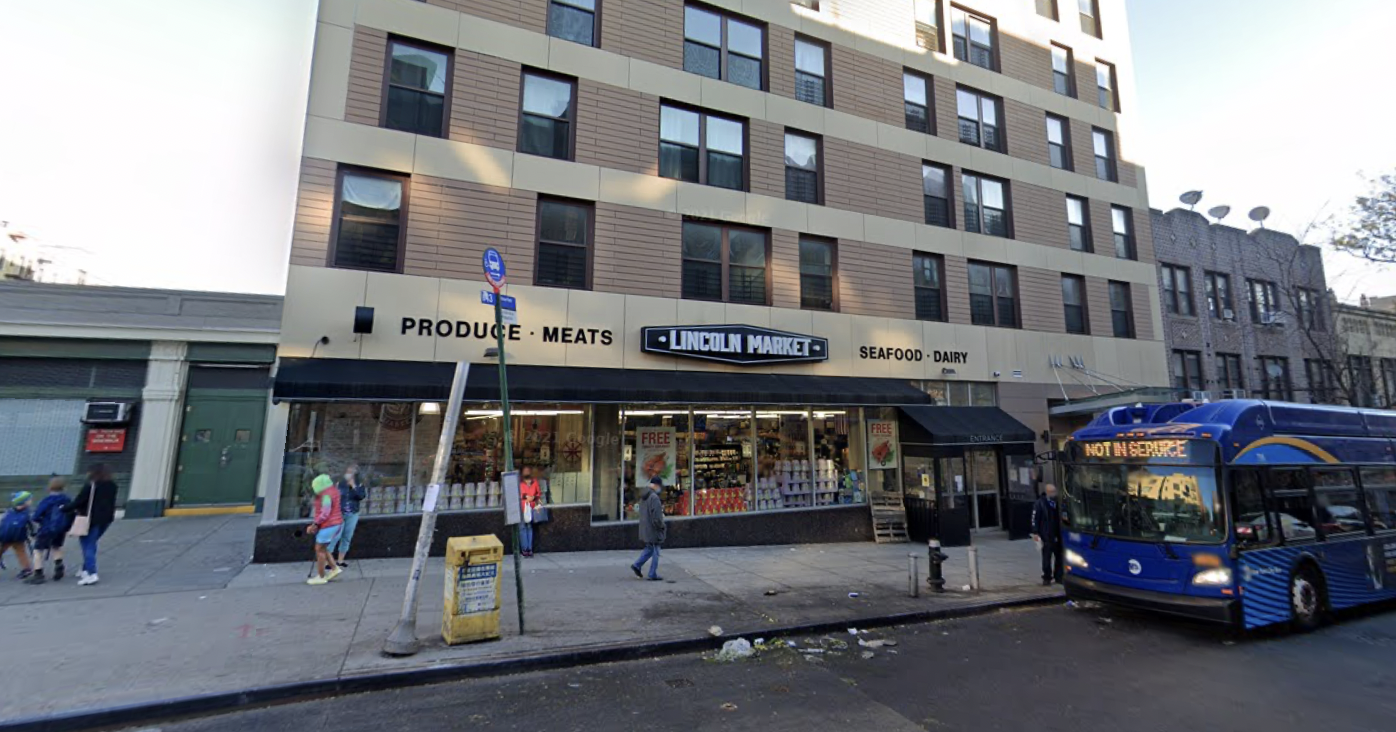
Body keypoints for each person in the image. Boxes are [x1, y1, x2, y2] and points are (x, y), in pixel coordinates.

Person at [67, 465, 118, 586]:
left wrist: (63, 508)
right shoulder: (112, 486)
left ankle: (91, 573)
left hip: (90, 520)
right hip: (106, 519)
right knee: (92, 543)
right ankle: (85, 569)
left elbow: (79, 502)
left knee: (87, 545)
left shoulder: (91, 486)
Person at [26, 477, 73, 584]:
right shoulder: (67, 500)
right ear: (64, 487)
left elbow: (36, 516)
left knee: (38, 550)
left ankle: (38, 574)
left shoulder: (46, 500)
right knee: (56, 546)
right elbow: (71, 514)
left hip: (46, 528)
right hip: (61, 529)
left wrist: (42, 521)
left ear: (49, 487)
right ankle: (59, 565)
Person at [306, 474, 343, 586]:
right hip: (336, 523)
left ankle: (321, 576)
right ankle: (334, 568)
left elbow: (325, 513)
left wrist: (314, 525)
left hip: (329, 525)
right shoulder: (333, 491)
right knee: (324, 548)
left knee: (319, 550)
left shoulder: (326, 495)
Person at [630, 477, 667, 581]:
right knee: (656, 550)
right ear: (656, 485)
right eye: (659, 486)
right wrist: (662, 526)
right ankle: (652, 573)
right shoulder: (654, 497)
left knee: (650, 548)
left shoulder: (644, 496)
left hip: (645, 527)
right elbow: (657, 517)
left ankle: (637, 565)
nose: (660, 488)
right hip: (653, 529)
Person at [1031, 483, 1064, 586]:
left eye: (1055, 491)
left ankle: (1058, 576)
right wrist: (1035, 532)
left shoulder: (1057, 502)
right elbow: (1035, 518)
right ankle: (1047, 576)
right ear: (1047, 492)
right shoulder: (1040, 503)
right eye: (1052, 492)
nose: (1054, 494)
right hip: (1046, 534)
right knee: (1046, 557)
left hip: (1057, 533)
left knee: (1059, 556)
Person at [333, 466, 365, 568]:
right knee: (335, 537)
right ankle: (328, 560)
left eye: (351, 472)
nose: (349, 474)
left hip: (352, 514)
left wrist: (354, 486)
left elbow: (361, 496)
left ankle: (340, 560)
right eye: (348, 472)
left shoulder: (359, 485)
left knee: (347, 537)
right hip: (339, 513)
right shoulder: (339, 484)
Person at [0, 492, 34, 581]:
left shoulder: (9, 511)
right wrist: (33, 533)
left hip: (5, 536)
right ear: (24, 502)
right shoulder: (26, 513)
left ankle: (27, 569)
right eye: (29, 500)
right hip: (18, 536)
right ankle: (26, 569)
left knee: (4, 550)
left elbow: (3, 523)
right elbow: (31, 525)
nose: (31, 501)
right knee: (21, 552)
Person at [519, 467, 541, 558]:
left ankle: (529, 549)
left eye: (528, 471)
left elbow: (538, 493)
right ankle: (524, 549)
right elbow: (517, 494)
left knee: (529, 527)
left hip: (531, 507)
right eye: (525, 471)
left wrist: (533, 497)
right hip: (522, 507)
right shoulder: (520, 483)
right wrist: (526, 497)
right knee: (522, 528)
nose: (526, 472)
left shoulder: (535, 482)